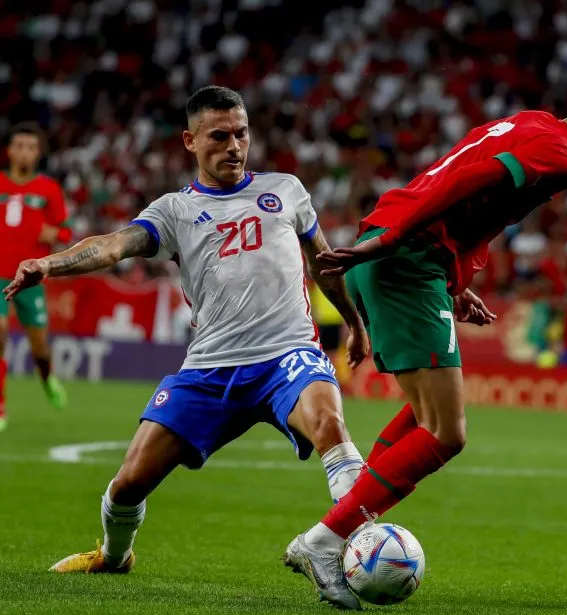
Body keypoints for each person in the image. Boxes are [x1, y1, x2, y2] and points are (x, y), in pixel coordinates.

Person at [280, 80, 567, 610]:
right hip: (404, 257)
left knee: (425, 417)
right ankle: (324, 541)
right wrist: (395, 240)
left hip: (407, 254)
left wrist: (453, 278)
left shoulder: (531, 123)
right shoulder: (564, 155)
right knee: (446, 432)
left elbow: (457, 173)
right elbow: (469, 178)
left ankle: (349, 521)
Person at [4, 86, 371, 579]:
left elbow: (323, 264)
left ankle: (352, 550)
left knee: (331, 427)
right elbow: (113, 246)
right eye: (219, 136)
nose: (234, 146)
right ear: (190, 141)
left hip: (287, 356)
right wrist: (49, 264)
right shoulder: (174, 210)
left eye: (241, 134)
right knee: (128, 484)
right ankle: (114, 557)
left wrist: (354, 322)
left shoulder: (287, 190)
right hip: (209, 369)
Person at [0, 122, 73, 429]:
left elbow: (67, 231)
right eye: (19, 146)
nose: (25, 152)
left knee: (40, 349)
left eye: (31, 147)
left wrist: (52, 232)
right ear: (9, 150)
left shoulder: (48, 190)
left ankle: (47, 376)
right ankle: (1, 407)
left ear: (39, 153)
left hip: (29, 278)